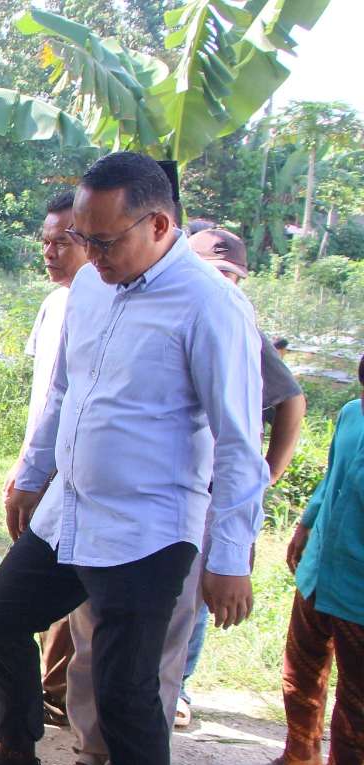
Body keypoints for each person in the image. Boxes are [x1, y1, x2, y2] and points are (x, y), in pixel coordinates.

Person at [0, 152, 267, 765]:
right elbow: (66, 391)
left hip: (149, 528)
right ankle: (17, 761)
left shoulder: (209, 306)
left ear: (160, 225)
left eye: (105, 240)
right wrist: (31, 473)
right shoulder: (92, 284)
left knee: (123, 690)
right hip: (73, 509)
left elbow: (238, 443)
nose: (90, 252)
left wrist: (229, 556)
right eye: (83, 236)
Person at [43, 226, 306, 765]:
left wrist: (258, 491)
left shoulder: (220, 312)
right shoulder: (110, 293)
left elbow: (278, 409)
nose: (223, 279)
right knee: (91, 640)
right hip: (99, 510)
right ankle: (91, 757)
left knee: (153, 657)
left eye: (231, 274)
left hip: (176, 519)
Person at [174, 228, 305, 725]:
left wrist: (265, 476)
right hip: (170, 488)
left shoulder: (235, 320)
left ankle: (179, 687)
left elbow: (290, 401)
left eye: (232, 276)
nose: (224, 283)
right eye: (215, 272)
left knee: (196, 594)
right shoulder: (180, 306)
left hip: (213, 491)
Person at [269, 353, 363, 765]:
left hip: (360, 592)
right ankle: (301, 754)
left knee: (358, 699)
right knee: (301, 670)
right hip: (322, 570)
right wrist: (306, 525)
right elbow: (333, 477)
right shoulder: (352, 413)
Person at [13, 190, 88, 727]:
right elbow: (48, 398)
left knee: (83, 608)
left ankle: (72, 710)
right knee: (20, 606)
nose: (50, 251)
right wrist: (26, 467)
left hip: (85, 480)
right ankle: (44, 700)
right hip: (42, 470)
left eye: (63, 241)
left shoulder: (118, 301)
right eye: (45, 241)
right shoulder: (55, 305)